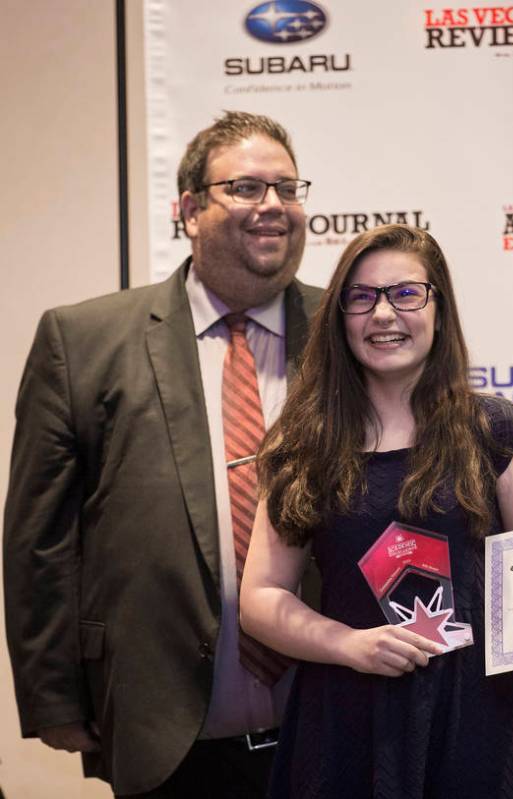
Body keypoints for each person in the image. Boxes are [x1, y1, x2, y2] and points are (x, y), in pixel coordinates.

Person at [3, 111, 322, 797]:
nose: (273, 206)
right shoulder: (83, 340)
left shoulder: (348, 332)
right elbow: (41, 540)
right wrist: (53, 696)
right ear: (189, 209)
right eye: (244, 188)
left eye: (287, 188)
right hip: (165, 732)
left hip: (333, 726)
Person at [239, 223, 513, 798]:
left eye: (406, 294)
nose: (384, 315)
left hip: (481, 718)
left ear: (438, 308)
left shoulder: (495, 431)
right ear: (340, 317)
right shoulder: (303, 443)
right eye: (362, 297)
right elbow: (261, 599)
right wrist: (347, 645)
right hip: (347, 716)